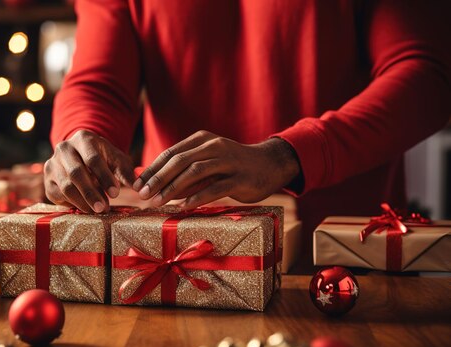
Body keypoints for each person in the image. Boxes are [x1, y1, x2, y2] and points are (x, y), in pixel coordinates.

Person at [44, 0, 451, 262]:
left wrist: (288, 155)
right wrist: (82, 135)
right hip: (173, 258)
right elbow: (99, 84)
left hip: (348, 257)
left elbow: (428, 76)